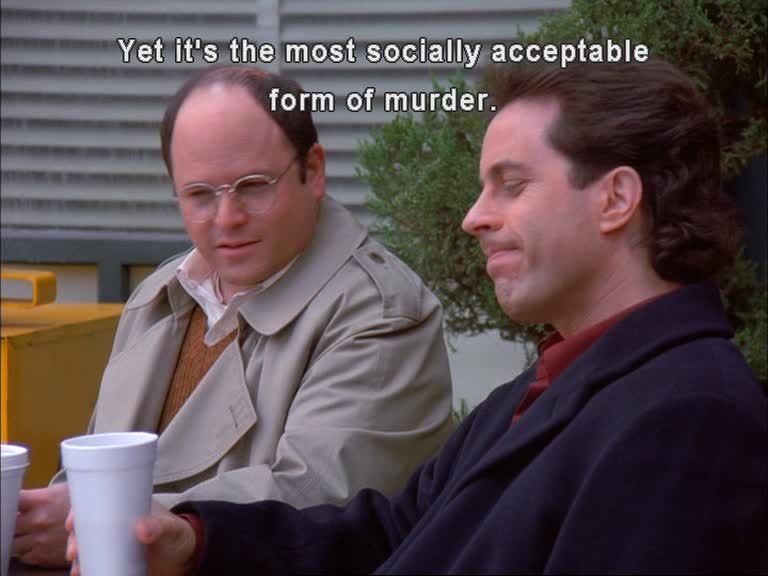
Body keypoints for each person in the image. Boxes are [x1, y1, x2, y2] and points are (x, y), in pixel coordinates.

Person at [69, 58, 768, 574]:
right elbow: (391, 530)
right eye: (197, 193)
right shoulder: (543, 388)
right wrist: (196, 539)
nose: (474, 218)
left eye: (511, 185)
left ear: (616, 199)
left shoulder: (689, 416)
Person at [13, 66, 455, 567]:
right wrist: (44, 517)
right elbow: (96, 467)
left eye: (253, 185)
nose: (227, 218)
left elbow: (322, 510)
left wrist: (110, 520)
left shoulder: (381, 313)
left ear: (314, 170)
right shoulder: (157, 295)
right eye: (200, 194)